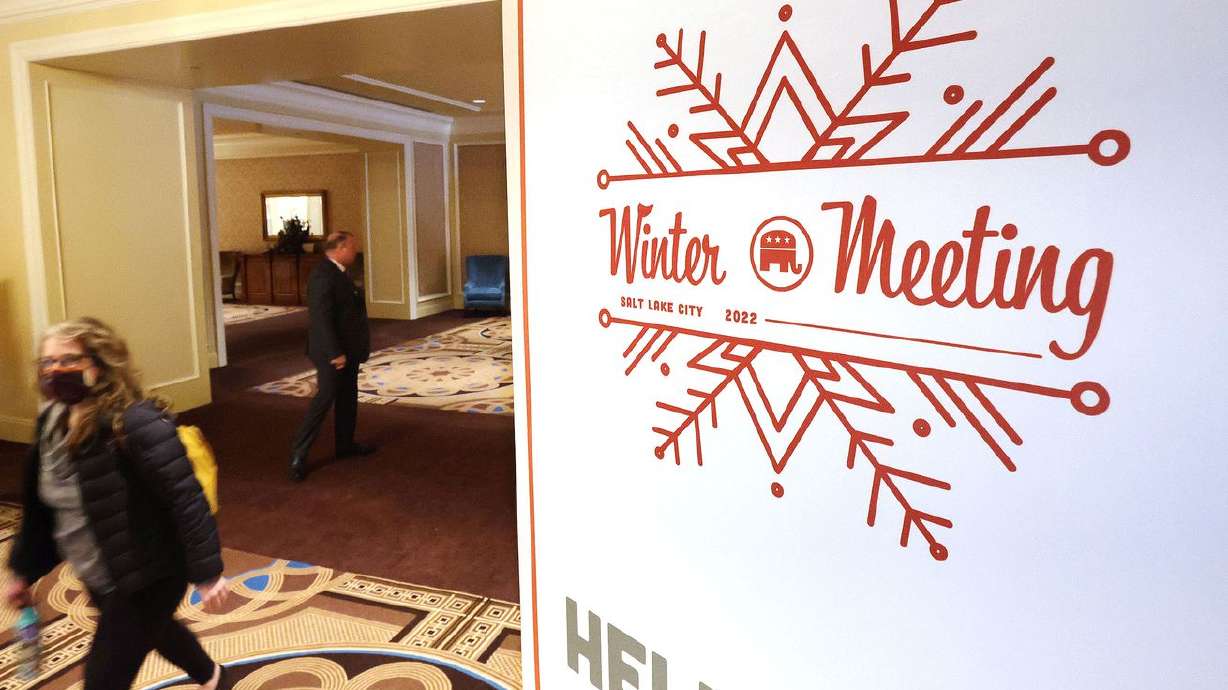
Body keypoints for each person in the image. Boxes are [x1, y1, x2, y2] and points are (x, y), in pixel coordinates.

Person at [3, 317, 230, 689]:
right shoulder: (51, 424)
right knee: (154, 631)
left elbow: (186, 499)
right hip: (101, 569)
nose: (56, 370)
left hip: (149, 572)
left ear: (98, 364)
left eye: (69, 360)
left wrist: (208, 573)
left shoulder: (135, 423)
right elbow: (42, 510)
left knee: (104, 676)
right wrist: (23, 572)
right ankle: (214, 677)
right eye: (48, 362)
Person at [289, 231, 376, 481]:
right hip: (332, 353)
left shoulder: (338, 272)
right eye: (352, 246)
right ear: (340, 248)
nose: (355, 251)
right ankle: (299, 454)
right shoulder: (322, 275)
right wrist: (334, 352)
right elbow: (320, 318)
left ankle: (345, 445)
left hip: (347, 351)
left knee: (348, 398)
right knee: (324, 400)